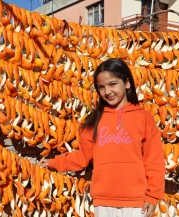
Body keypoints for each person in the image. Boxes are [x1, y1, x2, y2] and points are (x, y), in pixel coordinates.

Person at [40, 58, 165, 217]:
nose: (107, 92)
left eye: (113, 84)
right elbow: (83, 157)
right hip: (103, 201)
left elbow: (154, 160)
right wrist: (54, 162)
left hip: (136, 202)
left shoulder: (143, 118)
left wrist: (153, 196)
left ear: (127, 83)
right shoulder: (93, 121)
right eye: (101, 87)